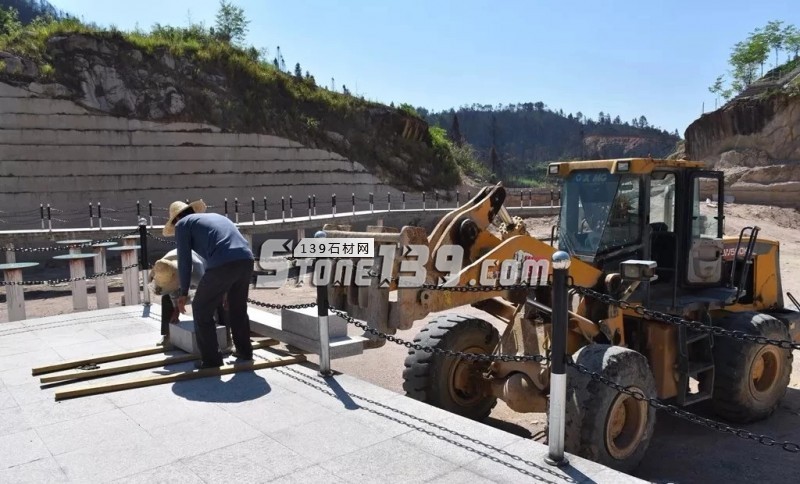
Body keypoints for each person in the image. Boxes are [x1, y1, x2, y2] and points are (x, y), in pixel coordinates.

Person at [163, 199, 255, 369]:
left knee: (200, 308)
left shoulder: (182, 225)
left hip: (223, 263)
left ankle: (211, 359)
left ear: (176, 219)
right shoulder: (213, 218)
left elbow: (184, 261)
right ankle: (245, 351)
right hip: (246, 259)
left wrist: (184, 292)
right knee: (237, 308)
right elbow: (218, 256)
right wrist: (224, 289)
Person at [149, 249, 231, 349]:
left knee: (218, 297)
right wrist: (176, 309)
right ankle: (168, 334)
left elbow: (208, 292)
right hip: (182, 271)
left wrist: (208, 317)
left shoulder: (196, 270)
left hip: (210, 270)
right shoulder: (163, 266)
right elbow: (170, 290)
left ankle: (226, 336)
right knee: (166, 298)